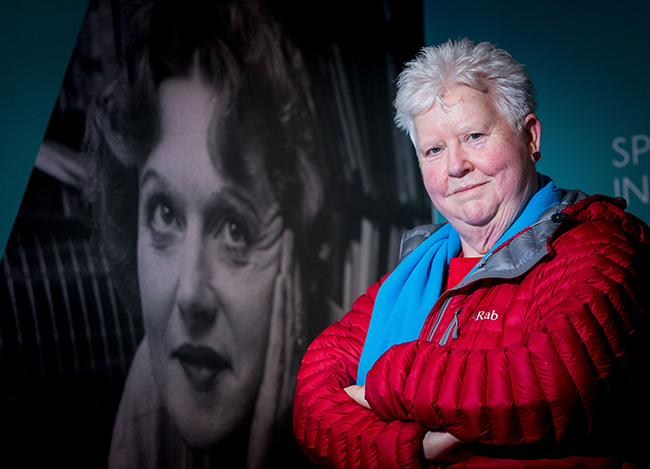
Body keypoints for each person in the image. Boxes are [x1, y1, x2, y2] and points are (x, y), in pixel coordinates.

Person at [293, 38, 648, 468]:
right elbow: (313, 399)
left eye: (474, 136)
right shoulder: (410, 276)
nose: (455, 166)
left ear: (530, 136)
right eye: (434, 150)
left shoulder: (596, 251)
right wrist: (416, 447)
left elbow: (555, 381)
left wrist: (383, 385)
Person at [85, 0, 325, 467]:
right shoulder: (152, 380)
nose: (190, 297)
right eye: (164, 214)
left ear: (297, 259)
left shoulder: (369, 416)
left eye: (235, 229)